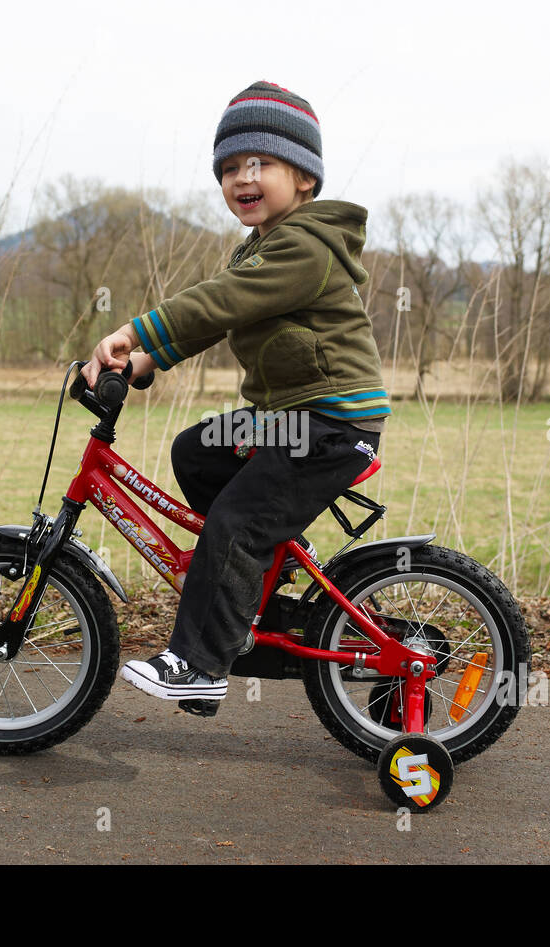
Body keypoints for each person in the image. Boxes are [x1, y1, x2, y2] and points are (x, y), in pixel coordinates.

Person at [81, 80, 390, 715]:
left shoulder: (305, 246)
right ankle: (251, 592)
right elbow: (218, 318)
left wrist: (132, 330)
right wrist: (144, 361)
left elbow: (218, 302)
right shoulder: (263, 247)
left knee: (237, 521)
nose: (240, 178)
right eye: (227, 168)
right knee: (198, 451)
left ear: (304, 178)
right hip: (294, 421)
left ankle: (197, 664)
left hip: (329, 426)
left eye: (260, 164)